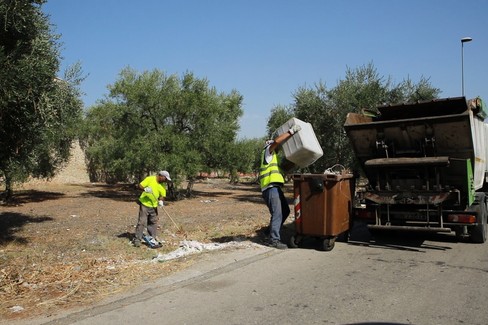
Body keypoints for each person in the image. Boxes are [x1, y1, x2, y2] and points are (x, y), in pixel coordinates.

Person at [259, 124, 301, 249]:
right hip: (270, 188)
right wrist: (291, 132)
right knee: (277, 213)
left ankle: (268, 233)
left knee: (285, 211)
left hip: (275, 188)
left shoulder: (274, 158)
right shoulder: (267, 152)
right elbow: (277, 141)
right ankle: (274, 239)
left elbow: (283, 169)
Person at [132, 170, 171, 248]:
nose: (166, 180)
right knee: (142, 222)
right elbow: (140, 186)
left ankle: (152, 239)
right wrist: (145, 189)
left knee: (153, 222)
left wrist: (161, 201)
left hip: (154, 205)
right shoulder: (150, 179)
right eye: (165, 178)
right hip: (145, 204)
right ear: (161, 176)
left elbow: (162, 195)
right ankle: (137, 240)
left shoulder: (162, 185)